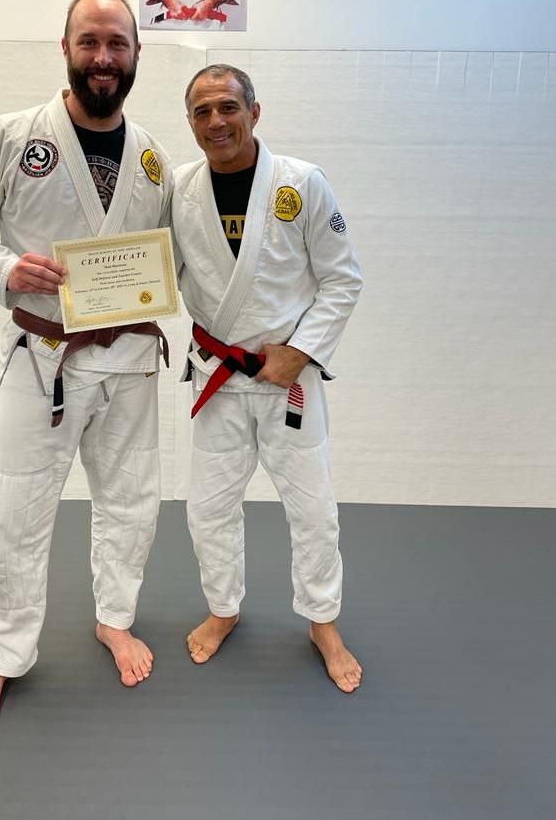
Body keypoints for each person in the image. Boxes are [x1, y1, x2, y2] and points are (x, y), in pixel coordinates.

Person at [0, 0, 173, 733]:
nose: (104, 58)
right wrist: (6, 270)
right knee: (14, 505)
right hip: (43, 357)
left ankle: (114, 617)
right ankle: (0, 656)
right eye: (90, 42)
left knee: (132, 500)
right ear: (66, 48)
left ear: (137, 55)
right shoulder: (11, 135)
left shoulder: (155, 158)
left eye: (118, 44)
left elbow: (168, 260)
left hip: (130, 357)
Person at [171, 64, 364, 693]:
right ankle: (224, 607)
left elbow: (342, 279)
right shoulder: (178, 189)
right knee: (207, 510)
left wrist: (301, 351)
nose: (216, 121)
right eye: (202, 111)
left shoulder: (301, 183)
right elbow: (148, 269)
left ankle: (323, 621)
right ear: (192, 123)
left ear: (256, 112)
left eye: (228, 107)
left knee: (313, 510)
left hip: (287, 381)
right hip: (218, 378)